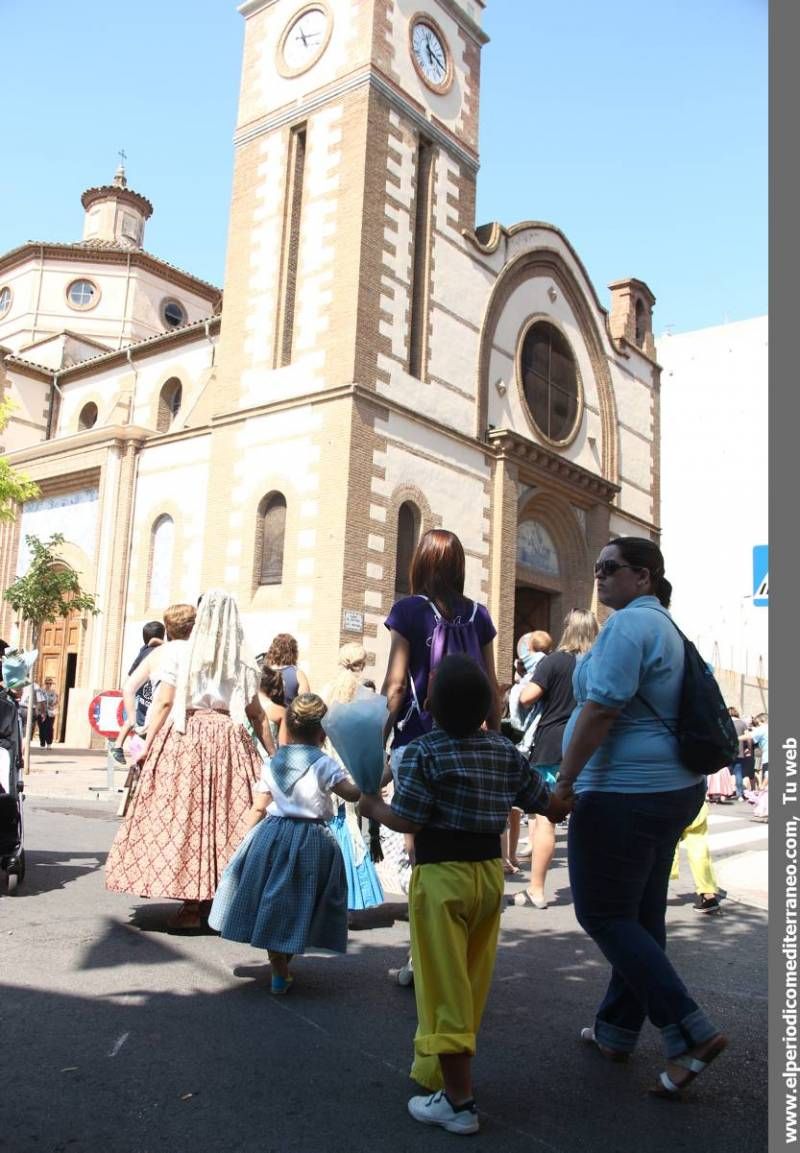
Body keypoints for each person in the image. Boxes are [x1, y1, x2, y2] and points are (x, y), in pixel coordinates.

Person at [360, 654, 566, 1135]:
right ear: (488, 708)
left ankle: (458, 1101)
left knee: (442, 986)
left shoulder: (426, 752)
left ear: (429, 705)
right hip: (487, 878)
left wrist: (372, 805)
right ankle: (440, 1076)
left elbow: (408, 819)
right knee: (471, 981)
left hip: (441, 878)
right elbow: (547, 804)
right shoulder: (504, 752)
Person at [554, 537, 727, 1097]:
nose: (600, 576)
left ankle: (689, 1030)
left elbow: (602, 708)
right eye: (598, 568)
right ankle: (616, 1030)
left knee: (603, 914)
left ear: (644, 577)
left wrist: (564, 780)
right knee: (641, 916)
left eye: (612, 568)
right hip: (670, 788)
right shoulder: (664, 628)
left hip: (624, 792)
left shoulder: (630, 627)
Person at [106, 591, 272, 932]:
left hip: (186, 735)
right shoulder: (239, 659)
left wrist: (145, 745)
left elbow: (164, 702)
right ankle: (219, 899)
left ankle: (192, 905)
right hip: (228, 736)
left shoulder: (180, 654)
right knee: (228, 815)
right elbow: (257, 714)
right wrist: (275, 754)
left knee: (186, 815)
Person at [209, 693, 361, 993]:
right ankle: (284, 958)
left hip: (272, 836)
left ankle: (279, 965)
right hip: (312, 841)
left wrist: (242, 841)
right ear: (322, 732)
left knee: (272, 900)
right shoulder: (324, 764)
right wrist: (373, 777)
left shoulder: (274, 762)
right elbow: (352, 794)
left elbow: (258, 806)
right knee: (302, 901)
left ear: (288, 729)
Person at [513, 609, 598, 909]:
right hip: (590, 744)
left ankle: (536, 889)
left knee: (546, 816)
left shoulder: (555, 662)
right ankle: (592, 889)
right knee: (586, 818)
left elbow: (527, 698)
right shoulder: (597, 664)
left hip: (552, 744)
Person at [320, 643, 384, 913]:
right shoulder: (365, 694)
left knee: (331, 825)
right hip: (353, 765)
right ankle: (350, 894)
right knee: (350, 828)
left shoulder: (325, 690)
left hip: (327, 764)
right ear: (363, 664)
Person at [111, 620, 166, 763]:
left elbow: (130, 676)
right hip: (155, 699)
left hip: (142, 698)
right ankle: (137, 759)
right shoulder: (163, 652)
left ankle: (119, 747)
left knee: (135, 722)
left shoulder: (143, 651)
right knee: (147, 727)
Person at [670, 802, 722, 914]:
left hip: (671, 802)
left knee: (667, 849)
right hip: (696, 804)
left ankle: (652, 893)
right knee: (700, 851)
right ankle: (709, 895)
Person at [260, 633, 309, 705]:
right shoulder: (298, 673)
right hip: (289, 715)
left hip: (267, 715)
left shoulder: (263, 672)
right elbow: (307, 704)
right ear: (293, 652)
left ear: (273, 650)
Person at [38, 677, 59, 747]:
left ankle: (49, 743)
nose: (48, 685)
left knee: (49, 728)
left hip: (50, 713)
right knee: (42, 728)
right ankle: (42, 743)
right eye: (47, 683)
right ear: (45, 683)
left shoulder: (54, 692)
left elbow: (57, 702)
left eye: (50, 683)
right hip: (41, 712)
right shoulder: (41, 691)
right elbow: (38, 701)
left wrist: (54, 704)